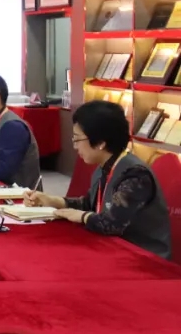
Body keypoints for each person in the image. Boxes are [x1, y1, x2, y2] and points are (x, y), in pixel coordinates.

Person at [25, 101, 171, 259]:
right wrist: (52, 200)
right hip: (113, 248)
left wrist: (83, 216)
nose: (75, 147)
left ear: (100, 142)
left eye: (77, 140)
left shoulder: (135, 175)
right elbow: (90, 204)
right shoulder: (105, 167)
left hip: (142, 258)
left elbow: (112, 224)